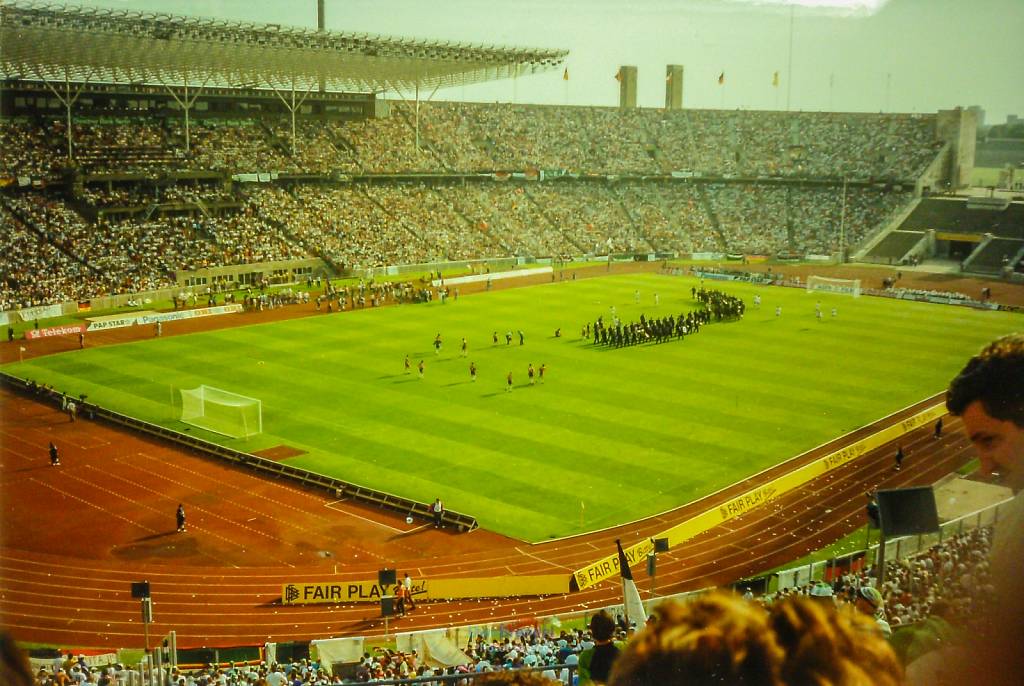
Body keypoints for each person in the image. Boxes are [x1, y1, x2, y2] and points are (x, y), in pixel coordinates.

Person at [578, 610, 622, 686]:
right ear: (612, 630)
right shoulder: (623, 653)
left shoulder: (585, 657)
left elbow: (584, 683)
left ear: (592, 632)